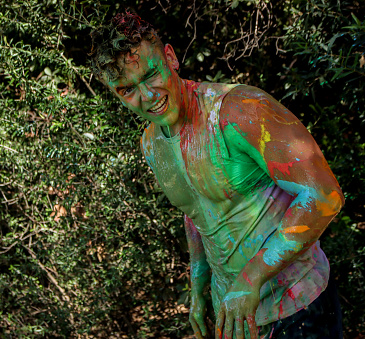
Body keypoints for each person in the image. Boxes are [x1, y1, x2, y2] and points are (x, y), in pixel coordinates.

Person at [89, 12, 345, 339]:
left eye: (151, 74)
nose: (148, 96)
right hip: (234, 319)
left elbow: (324, 195)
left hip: (299, 308)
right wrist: (198, 287)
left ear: (170, 57)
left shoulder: (240, 110)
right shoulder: (151, 144)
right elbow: (197, 212)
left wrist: (249, 281)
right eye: (127, 90)